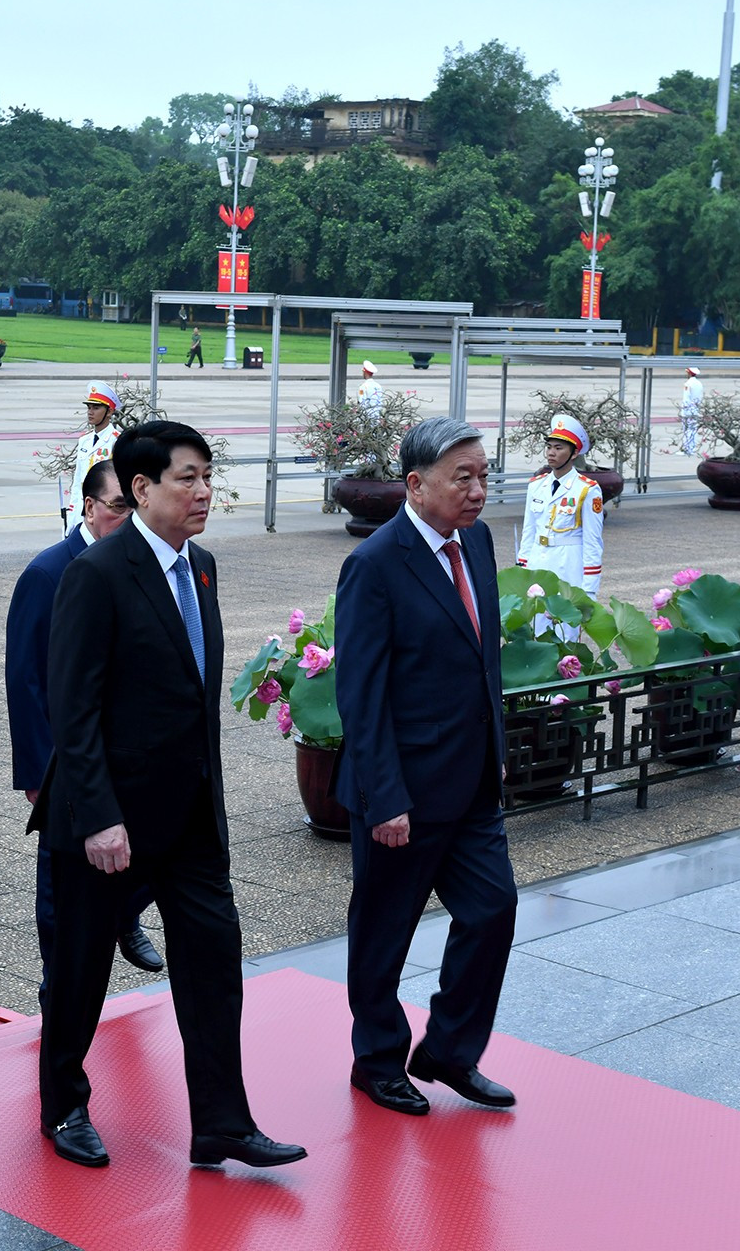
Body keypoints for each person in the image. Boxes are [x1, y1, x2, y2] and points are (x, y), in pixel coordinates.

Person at [34, 419, 305, 1173]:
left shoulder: (203, 567)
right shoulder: (96, 573)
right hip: (107, 820)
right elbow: (73, 707)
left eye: (208, 477)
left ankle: (222, 1121)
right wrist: (98, 816)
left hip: (188, 817)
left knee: (214, 960)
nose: (204, 492)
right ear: (142, 487)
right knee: (82, 972)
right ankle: (62, 1107)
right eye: (187, 478)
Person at [334, 416, 519, 1118]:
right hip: (401, 791)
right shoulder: (376, 565)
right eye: (462, 478)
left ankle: (448, 1050)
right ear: (416, 485)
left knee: (492, 910)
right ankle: (377, 1061)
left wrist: (495, 753)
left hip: (470, 781)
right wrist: (384, 798)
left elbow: (483, 660)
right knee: (384, 933)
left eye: (482, 474)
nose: (478, 490)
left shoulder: (477, 542)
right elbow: (362, 691)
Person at [6, 460, 161, 983]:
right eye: (119, 508)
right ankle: (60, 985)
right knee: (64, 882)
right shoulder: (50, 572)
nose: (129, 518)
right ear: (88, 508)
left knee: (147, 854)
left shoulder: (142, 565)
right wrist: (36, 771)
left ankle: (124, 917)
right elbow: (25, 678)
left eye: (134, 508)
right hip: (65, 757)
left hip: (127, 750)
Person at [514, 413, 604, 597]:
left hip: (568, 565)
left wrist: (590, 589)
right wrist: (522, 567)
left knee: (564, 621)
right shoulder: (536, 485)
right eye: (548, 447)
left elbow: (592, 542)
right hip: (538, 561)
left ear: (574, 453)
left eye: (558, 448)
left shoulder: (587, 490)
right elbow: (529, 531)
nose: (551, 453)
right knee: (536, 621)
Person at [64, 382, 119, 530]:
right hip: (81, 510)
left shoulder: (116, 441)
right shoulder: (84, 441)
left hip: (102, 511)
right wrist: (72, 513)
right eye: (88, 407)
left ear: (109, 412)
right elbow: (77, 481)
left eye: (96, 408)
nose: (90, 412)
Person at [680, 367, 703, 456]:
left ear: (689, 374)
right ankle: (692, 448)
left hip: (688, 410)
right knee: (693, 429)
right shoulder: (699, 383)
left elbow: (686, 398)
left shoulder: (688, 384)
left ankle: (687, 449)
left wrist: (684, 410)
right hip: (696, 409)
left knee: (687, 430)